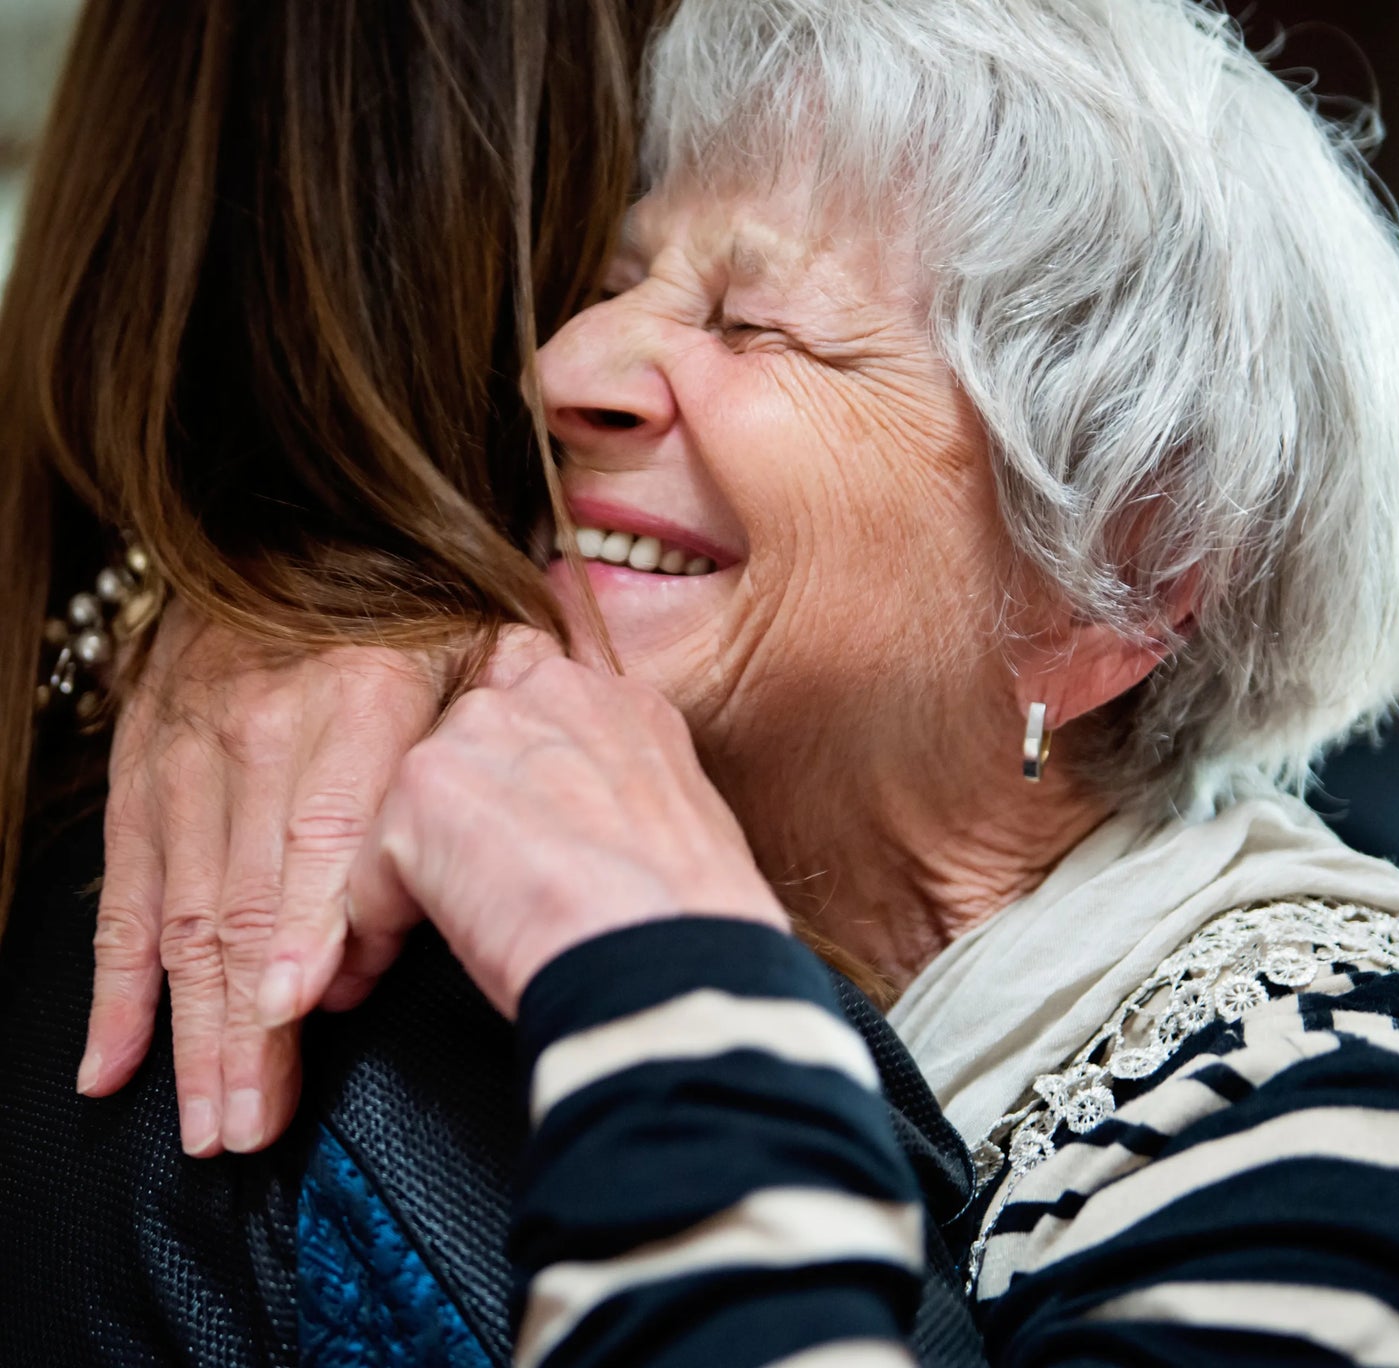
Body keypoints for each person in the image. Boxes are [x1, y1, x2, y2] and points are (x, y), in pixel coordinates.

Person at [24, 0, 1399, 1362]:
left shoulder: (1338, 1094)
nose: (565, 364)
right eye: (614, 282)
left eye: (753, 322)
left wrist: (654, 961)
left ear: (1115, 568)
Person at [0, 1, 983, 1364]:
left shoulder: (66, 717)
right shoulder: (450, 956)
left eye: (749, 311)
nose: (590, 360)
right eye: (641, 244)